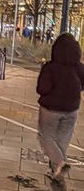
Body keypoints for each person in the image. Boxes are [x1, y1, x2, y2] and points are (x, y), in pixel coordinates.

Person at [36, 32, 84, 182]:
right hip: (72, 109)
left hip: (51, 109)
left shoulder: (50, 68)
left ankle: (60, 163)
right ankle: (56, 170)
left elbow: (42, 88)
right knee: (62, 139)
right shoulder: (80, 67)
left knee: (46, 138)